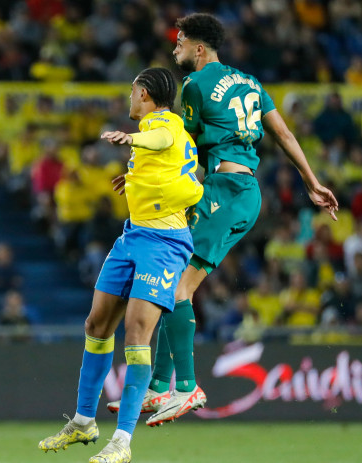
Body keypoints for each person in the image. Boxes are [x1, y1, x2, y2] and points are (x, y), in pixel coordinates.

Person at [109, 13, 339, 427]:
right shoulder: (250, 82)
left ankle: (187, 386)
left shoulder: (195, 84)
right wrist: (312, 181)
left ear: (200, 49)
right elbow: (284, 135)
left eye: (180, 42)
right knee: (170, 283)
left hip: (224, 192)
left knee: (176, 287)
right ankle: (161, 384)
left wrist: (144, 170)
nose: (174, 47)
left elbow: (185, 143)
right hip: (245, 192)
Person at [38, 67, 203, 463]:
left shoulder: (164, 123)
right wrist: (134, 176)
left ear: (143, 93)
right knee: (97, 324)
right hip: (133, 237)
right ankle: (83, 421)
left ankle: (122, 442)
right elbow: (177, 167)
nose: (129, 98)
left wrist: (131, 138)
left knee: (136, 333)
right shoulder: (157, 137)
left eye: (132, 91)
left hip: (164, 244)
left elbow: (161, 138)